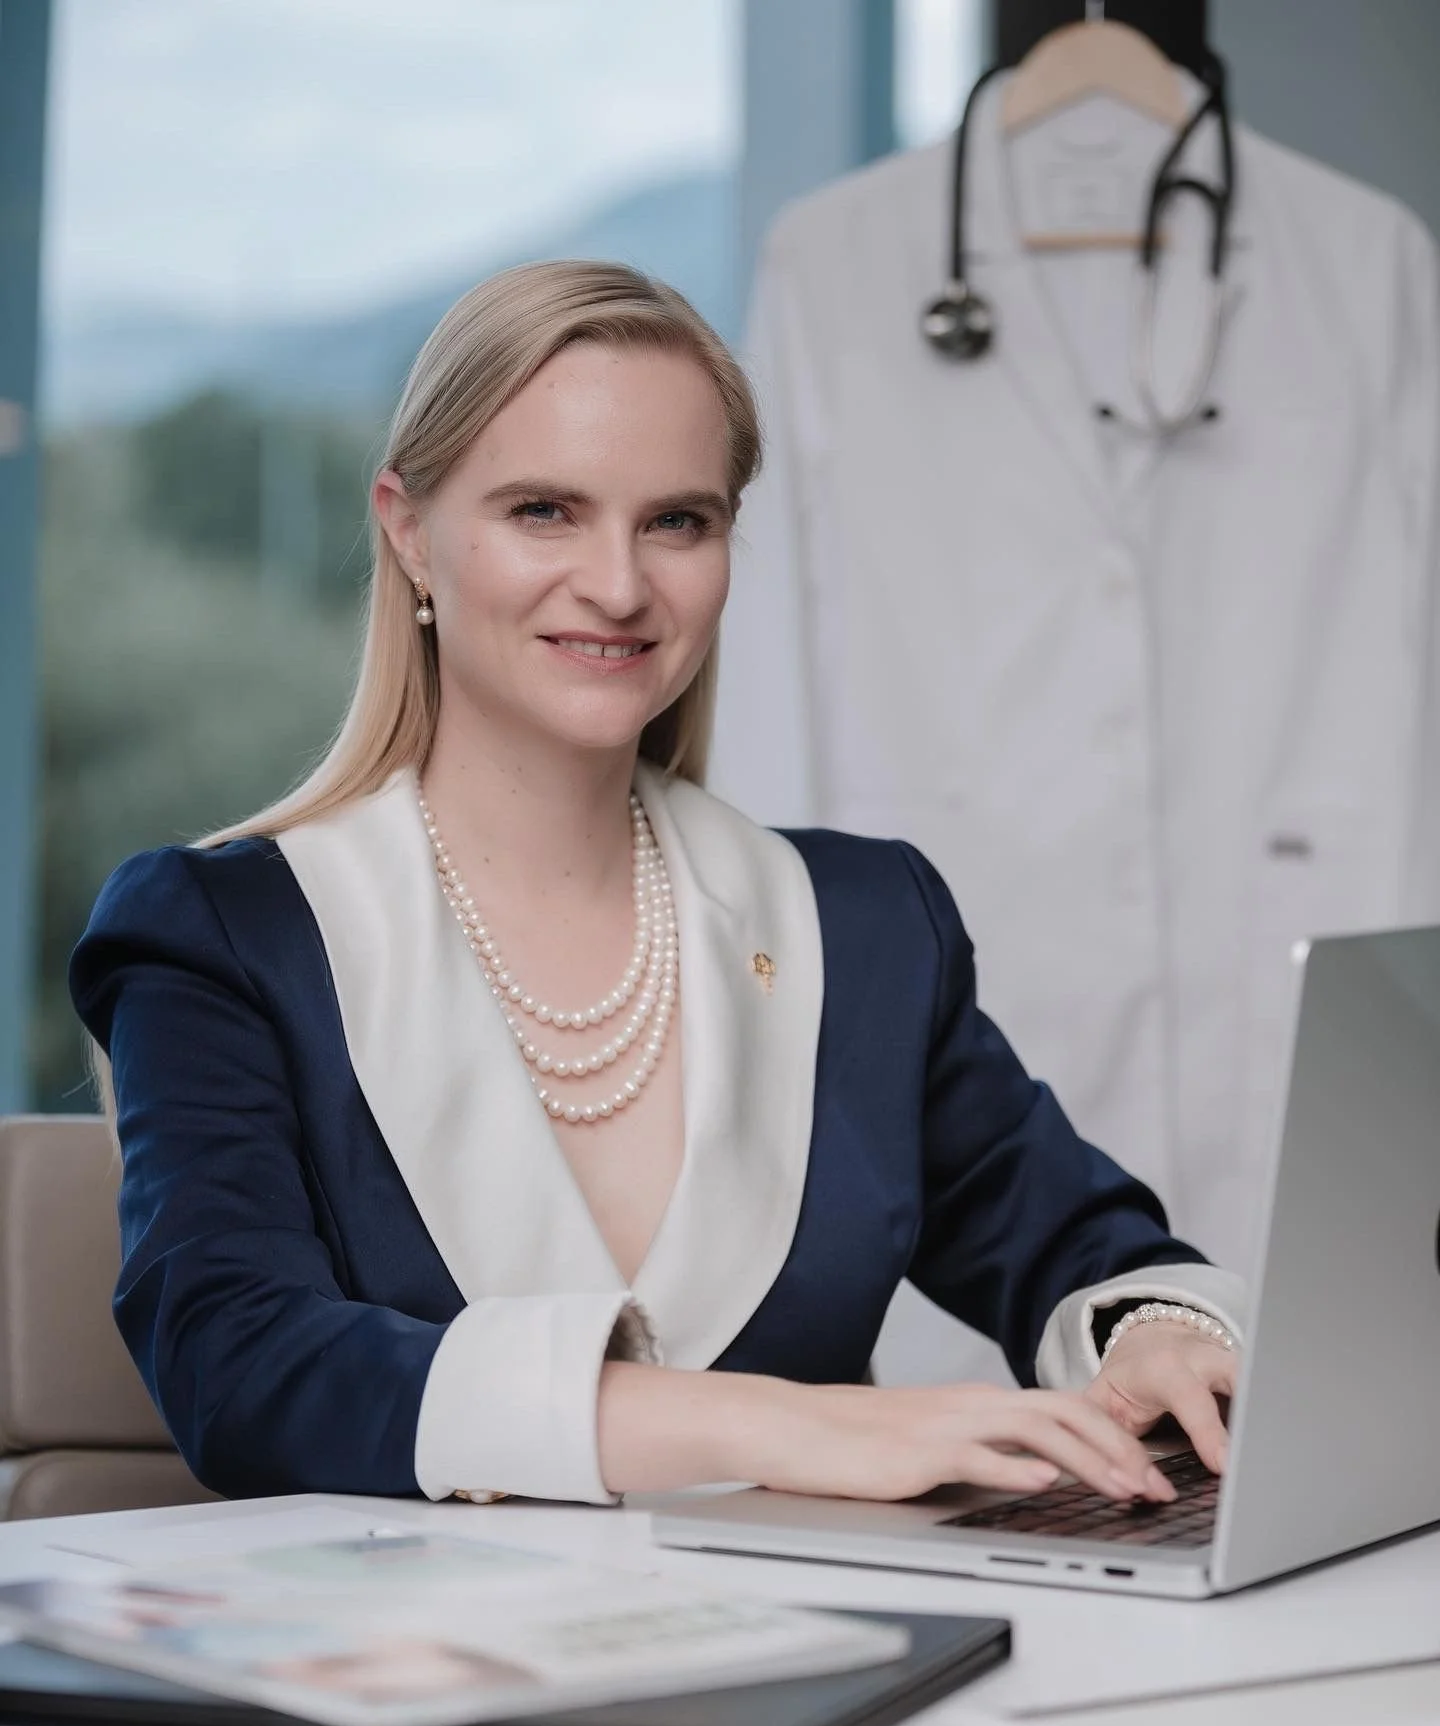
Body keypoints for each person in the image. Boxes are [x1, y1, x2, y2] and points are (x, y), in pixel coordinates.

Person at [70, 261, 1243, 1513]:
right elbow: (237, 1364)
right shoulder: (225, 934)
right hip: (416, 1635)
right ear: (409, 531)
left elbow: (1078, 1245)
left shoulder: (858, 925)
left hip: (821, 1628)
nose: (621, 586)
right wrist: (783, 1426)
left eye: (678, 521)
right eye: (544, 511)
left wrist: (1159, 1336)